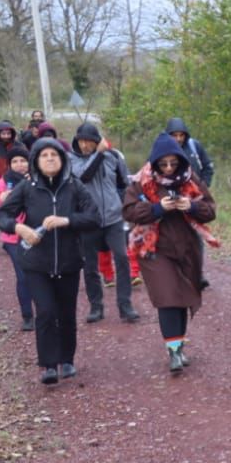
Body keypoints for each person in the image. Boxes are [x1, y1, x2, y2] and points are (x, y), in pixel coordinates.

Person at [0, 138, 97, 385]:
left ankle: (67, 359)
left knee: (66, 313)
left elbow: (93, 217)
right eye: (44, 155)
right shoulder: (28, 188)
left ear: (62, 160)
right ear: (36, 160)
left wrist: (67, 220)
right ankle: (48, 365)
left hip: (69, 261)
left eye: (55, 155)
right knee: (46, 312)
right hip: (36, 263)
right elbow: (0, 215)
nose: (50, 159)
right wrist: (19, 228)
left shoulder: (74, 186)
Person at [123, 134, 219, 372]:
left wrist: (192, 206)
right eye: (163, 164)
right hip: (154, 249)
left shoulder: (191, 179)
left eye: (173, 164)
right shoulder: (141, 181)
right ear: (155, 163)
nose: (168, 169)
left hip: (187, 248)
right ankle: (174, 352)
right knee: (168, 298)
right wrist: (158, 208)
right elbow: (128, 211)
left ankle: (178, 347)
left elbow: (209, 210)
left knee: (183, 296)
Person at [69, 122, 139, 325]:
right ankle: (96, 306)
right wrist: (97, 154)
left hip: (113, 218)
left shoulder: (113, 157)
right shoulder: (72, 160)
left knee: (122, 258)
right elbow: (83, 177)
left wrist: (125, 207)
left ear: (97, 141)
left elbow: (123, 184)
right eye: (81, 141)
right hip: (89, 220)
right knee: (90, 266)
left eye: (89, 142)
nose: (85, 145)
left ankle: (125, 306)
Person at [0, 147, 35, 330]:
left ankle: (46, 312)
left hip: (36, 235)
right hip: (12, 237)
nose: (19, 165)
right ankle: (28, 316)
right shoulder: (3, 182)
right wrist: (1, 198)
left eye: (23, 161)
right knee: (23, 276)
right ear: (10, 164)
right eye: (15, 162)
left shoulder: (36, 180)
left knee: (39, 275)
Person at [163, 118, 215, 186]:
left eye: (181, 135)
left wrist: (203, 185)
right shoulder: (161, 150)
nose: (178, 139)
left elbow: (208, 167)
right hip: (170, 192)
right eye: (175, 135)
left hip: (194, 192)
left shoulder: (194, 146)